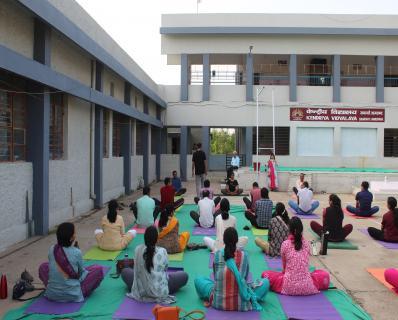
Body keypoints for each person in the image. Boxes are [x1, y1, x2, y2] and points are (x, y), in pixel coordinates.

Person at [194, 227, 269, 311]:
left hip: (218, 301)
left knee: (198, 279)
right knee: (265, 282)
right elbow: (245, 278)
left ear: (224, 240)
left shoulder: (218, 254)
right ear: (237, 240)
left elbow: (215, 277)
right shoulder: (244, 256)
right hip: (242, 301)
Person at [261, 217, 330, 295]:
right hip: (307, 286)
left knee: (265, 274)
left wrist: (286, 275)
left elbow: (284, 268)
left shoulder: (285, 244)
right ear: (301, 229)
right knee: (324, 274)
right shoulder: (307, 244)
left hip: (288, 286)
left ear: (289, 229)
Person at [39, 222, 104, 302]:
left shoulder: (52, 249)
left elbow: (54, 267)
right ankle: (74, 291)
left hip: (52, 294)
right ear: (71, 238)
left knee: (43, 267)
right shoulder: (77, 252)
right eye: (74, 233)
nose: (75, 234)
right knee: (98, 269)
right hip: (73, 294)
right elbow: (80, 274)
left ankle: (54, 288)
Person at [122, 226, 188, 304]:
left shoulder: (138, 249)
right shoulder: (162, 251)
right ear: (157, 239)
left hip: (140, 290)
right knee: (184, 275)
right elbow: (165, 268)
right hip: (159, 291)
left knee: (125, 271)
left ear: (145, 238)